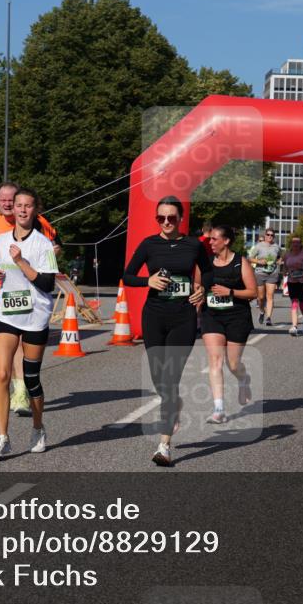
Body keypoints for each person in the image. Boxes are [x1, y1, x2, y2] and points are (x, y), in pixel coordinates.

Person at [123, 196, 209, 466]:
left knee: (170, 379)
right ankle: (175, 406)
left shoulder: (193, 244)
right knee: (159, 378)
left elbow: (208, 273)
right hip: (154, 317)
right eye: (162, 218)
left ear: (181, 219)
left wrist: (202, 290)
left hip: (183, 317)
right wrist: (147, 280)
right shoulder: (149, 244)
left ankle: (164, 445)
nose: (167, 222)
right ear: (156, 219)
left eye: (172, 217)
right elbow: (128, 276)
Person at [0, 182, 60, 417]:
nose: (11, 205)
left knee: (26, 353)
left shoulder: (38, 225)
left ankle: (23, 390)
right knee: (5, 359)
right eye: (5, 201)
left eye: (15, 201)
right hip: (2, 296)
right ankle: (15, 395)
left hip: (33, 302)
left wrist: (44, 256)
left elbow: (54, 247)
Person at [200, 225, 257, 423]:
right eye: (210, 239)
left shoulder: (240, 263)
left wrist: (230, 292)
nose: (210, 242)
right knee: (215, 360)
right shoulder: (205, 263)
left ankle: (243, 379)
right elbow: (198, 287)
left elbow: (253, 292)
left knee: (233, 364)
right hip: (212, 316)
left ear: (226, 241)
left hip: (237, 317)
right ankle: (218, 409)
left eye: (214, 239)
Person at [248, 229, 282, 326]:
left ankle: (268, 318)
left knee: (270, 296)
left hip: (272, 273)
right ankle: (262, 311)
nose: (270, 236)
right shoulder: (259, 246)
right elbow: (249, 258)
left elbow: (280, 256)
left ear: (274, 236)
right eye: (268, 234)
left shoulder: (276, 247)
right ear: (265, 235)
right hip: (260, 273)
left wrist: (279, 260)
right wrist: (259, 262)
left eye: (272, 235)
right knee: (261, 297)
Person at [282, 236, 303, 336]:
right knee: (294, 302)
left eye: (297, 242)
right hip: (292, 281)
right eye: (293, 242)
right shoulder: (287, 255)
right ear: (291, 244)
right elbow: (285, 266)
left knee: (302, 305)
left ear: (300, 244)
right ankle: (294, 326)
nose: (295, 244)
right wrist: (285, 273)